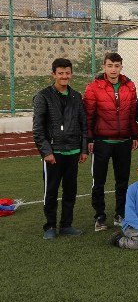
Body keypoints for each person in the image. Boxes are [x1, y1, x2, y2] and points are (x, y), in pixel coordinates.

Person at [33, 57, 88, 240]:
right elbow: (38, 128)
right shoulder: (43, 96)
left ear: (71, 74)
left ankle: (66, 225)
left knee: (70, 190)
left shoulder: (76, 96)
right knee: (51, 190)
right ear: (53, 74)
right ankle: (50, 226)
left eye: (67, 73)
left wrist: (83, 149)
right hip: (54, 153)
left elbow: (83, 125)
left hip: (73, 151)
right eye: (60, 73)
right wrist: (46, 151)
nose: (64, 76)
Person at [83, 51, 138, 231]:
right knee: (98, 181)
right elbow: (89, 115)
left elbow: (132, 114)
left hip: (123, 141)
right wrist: (89, 138)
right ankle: (99, 216)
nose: (113, 69)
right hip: (102, 141)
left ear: (121, 67)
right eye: (110, 66)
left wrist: (134, 135)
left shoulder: (129, 86)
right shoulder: (93, 87)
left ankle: (120, 214)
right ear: (104, 67)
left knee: (122, 180)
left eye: (116, 66)